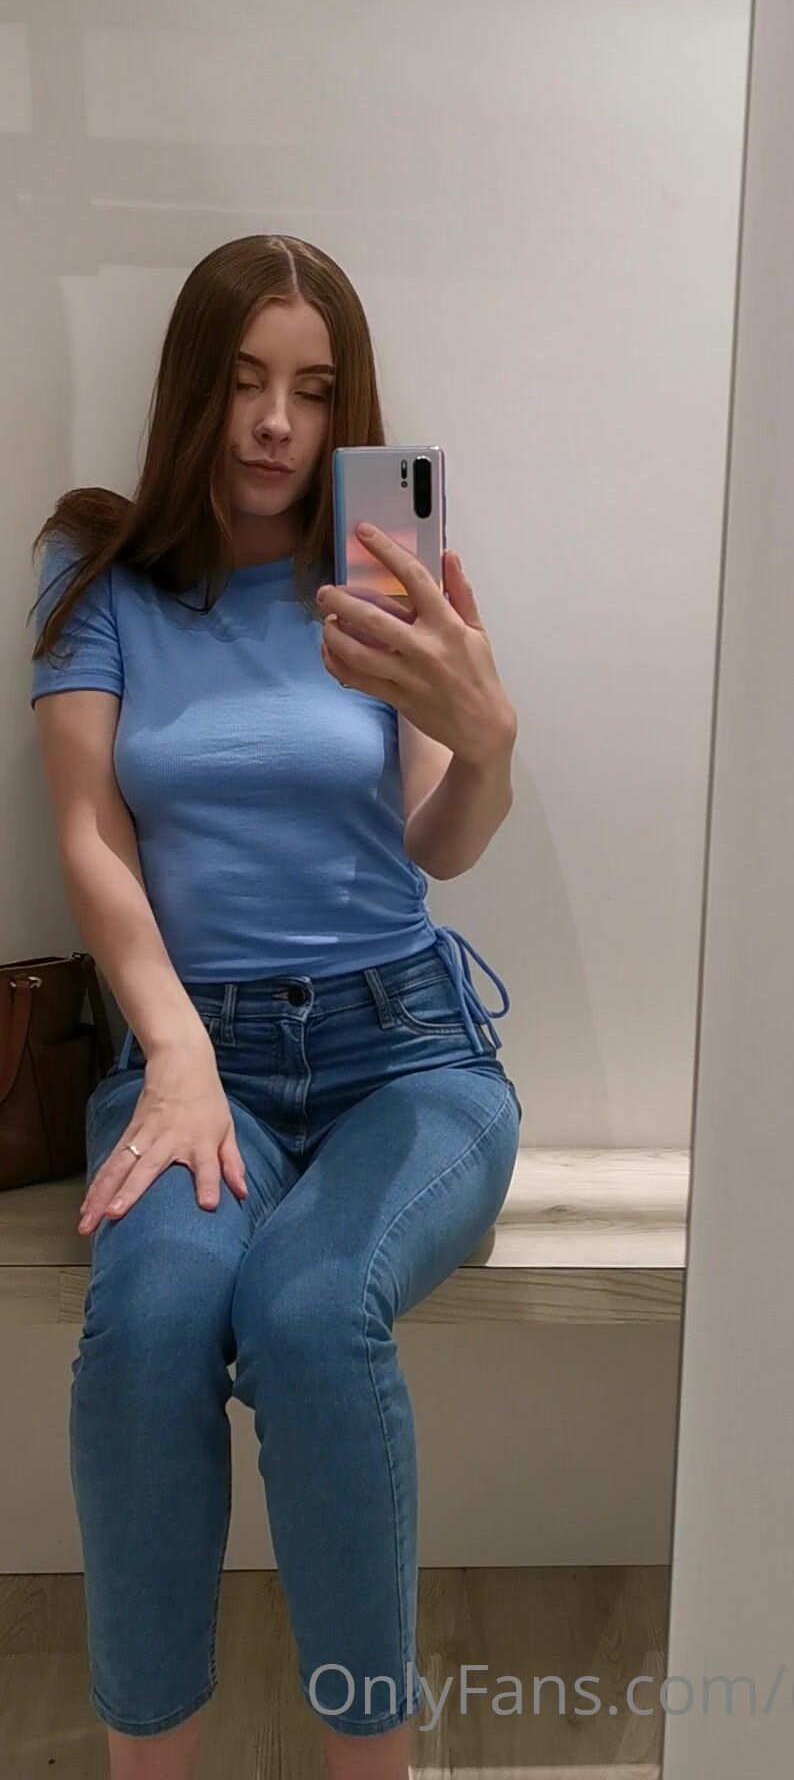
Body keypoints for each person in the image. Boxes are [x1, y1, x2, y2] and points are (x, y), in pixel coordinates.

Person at [27, 232, 522, 1780]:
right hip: (199, 1059)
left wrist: (487, 741)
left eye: (312, 392)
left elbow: (439, 842)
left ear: (344, 409)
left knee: (310, 1316)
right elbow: (91, 835)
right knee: (150, 1325)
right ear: (194, 387)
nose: (274, 424)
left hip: (405, 1056)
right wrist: (175, 1051)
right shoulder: (98, 572)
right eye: (244, 382)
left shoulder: (375, 582)